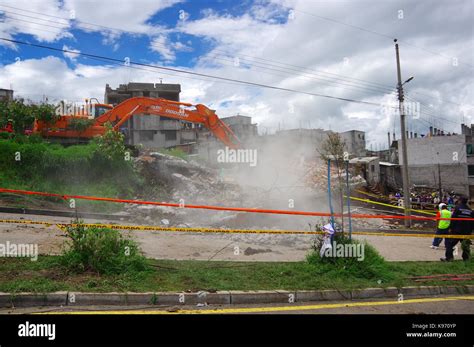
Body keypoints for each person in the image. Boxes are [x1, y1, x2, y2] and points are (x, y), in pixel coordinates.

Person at [441, 196, 473, 262]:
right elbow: (472, 222)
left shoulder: (458, 208)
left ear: (460, 201)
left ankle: (449, 258)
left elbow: (453, 219)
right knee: (465, 245)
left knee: (449, 244)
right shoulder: (470, 210)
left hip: (457, 230)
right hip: (466, 231)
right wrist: (471, 231)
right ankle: (466, 259)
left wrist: (450, 228)